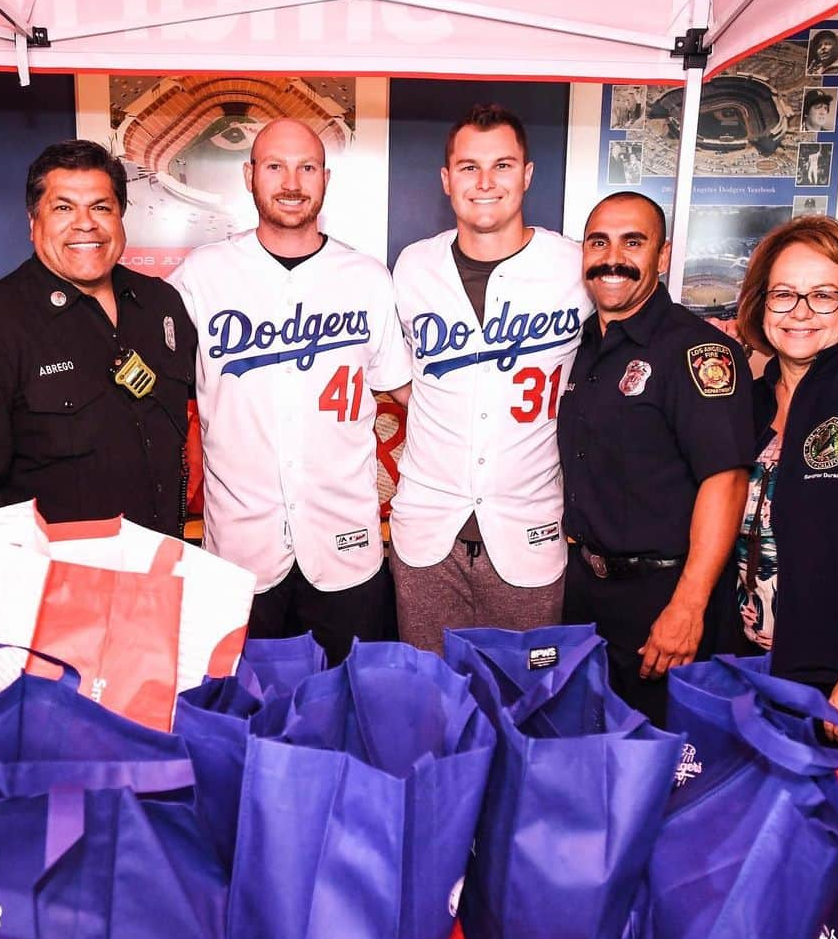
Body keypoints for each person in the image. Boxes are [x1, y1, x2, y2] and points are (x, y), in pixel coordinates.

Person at [169, 118, 410, 666]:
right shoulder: (201, 276)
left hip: (346, 547)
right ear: (249, 175)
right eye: (275, 166)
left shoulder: (368, 278)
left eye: (306, 167)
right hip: (239, 551)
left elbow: (409, 394)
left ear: (325, 178)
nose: (292, 182)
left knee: (351, 712)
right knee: (243, 724)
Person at [389, 104, 590, 653]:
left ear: (527, 175)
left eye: (502, 165)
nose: (484, 182)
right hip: (428, 531)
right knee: (429, 702)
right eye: (469, 166)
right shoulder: (413, 266)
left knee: (526, 703)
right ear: (446, 179)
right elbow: (403, 378)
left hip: (529, 527)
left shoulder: (573, 267)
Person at [0, 140, 195, 544]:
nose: (85, 223)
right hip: (58, 591)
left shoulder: (162, 304)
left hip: (163, 571)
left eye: (101, 207)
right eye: (63, 207)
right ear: (32, 221)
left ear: (121, 216)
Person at [557, 191, 752, 726]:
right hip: (588, 594)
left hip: (664, 598)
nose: (612, 257)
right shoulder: (587, 347)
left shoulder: (695, 352)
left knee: (665, 773)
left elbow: (727, 481)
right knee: (592, 754)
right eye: (599, 242)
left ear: (662, 257)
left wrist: (687, 606)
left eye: (633, 242)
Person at [734, 215, 838, 743]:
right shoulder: (749, 400)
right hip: (750, 665)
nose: (802, 313)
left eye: (824, 295)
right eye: (784, 294)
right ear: (760, 303)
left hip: (836, 683)